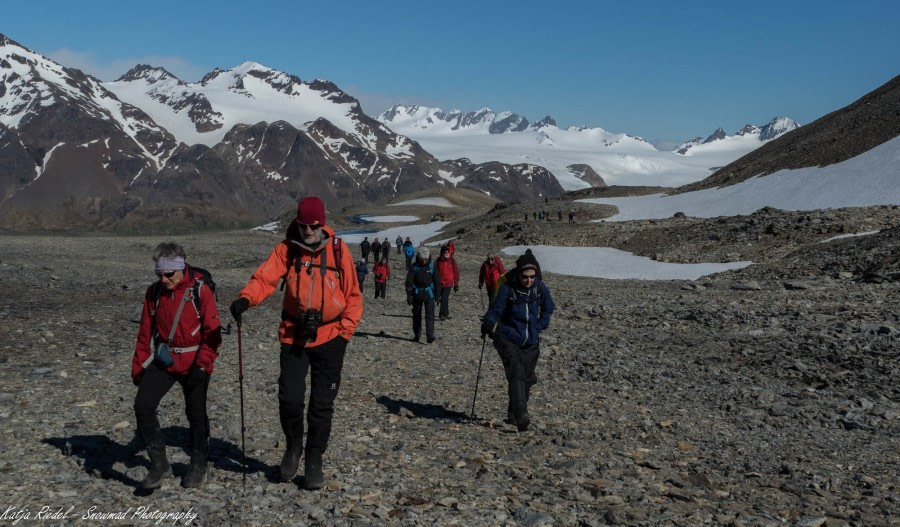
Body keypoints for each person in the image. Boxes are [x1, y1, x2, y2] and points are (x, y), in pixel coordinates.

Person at [229, 196, 362, 490]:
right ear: (298, 224)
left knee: (321, 404)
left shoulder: (339, 251)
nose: (309, 231)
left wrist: (345, 334)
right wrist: (246, 299)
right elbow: (264, 279)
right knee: (289, 396)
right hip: (293, 334)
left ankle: (314, 458)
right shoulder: (287, 250)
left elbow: (353, 296)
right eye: (304, 226)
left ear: (322, 223)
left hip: (331, 336)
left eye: (314, 226)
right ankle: (293, 447)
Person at [131, 242, 222, 490]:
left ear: (181, 268)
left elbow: (212, 332)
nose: (164, 279)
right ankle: (159, 464)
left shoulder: (200, 291)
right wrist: (139, 367)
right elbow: (144, 333)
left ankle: (198, 462)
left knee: (195, 412)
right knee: (143, 405)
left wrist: (202, 366)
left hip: (195, 360)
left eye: (169, 274)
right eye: (159, 274)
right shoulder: (153, 293)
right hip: (166, 359)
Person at [481, 252, 555, 432]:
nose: (529, 280)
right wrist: (489, 322)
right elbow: (496, 309)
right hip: (507, 338)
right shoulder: (508, 288)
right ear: (519, 274)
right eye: (525, 277)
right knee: (517, 372)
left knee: (527, 379)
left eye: (532, 276)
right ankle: (522, 414)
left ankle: (513, 416)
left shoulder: (539, 287)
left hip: (531, 341)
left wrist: (540, 325)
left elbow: (549, 308)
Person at [405, 247, 441, 344]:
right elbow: (409, 281)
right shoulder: (414, 267)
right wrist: (409, 295)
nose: (424, 261)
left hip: (429, 294)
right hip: (417, 293)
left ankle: (430, 335)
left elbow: (437, 281)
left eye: (426, 259)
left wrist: (438, 295)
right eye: (422, 259)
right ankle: (417, 335)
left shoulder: (432, 266)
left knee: (430, 315)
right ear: (419, 258)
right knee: (416, 315)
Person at [435, 245, 459, 321]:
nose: (447, 253)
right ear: (442, 253)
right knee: (441, 298)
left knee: (444, 298)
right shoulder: (437, 261)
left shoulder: (452, 260)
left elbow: (456, 272)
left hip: (448, 283)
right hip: (439, 283)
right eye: (445, 252)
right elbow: (434, 272)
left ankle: (442, 314)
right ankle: (446, 313)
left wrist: (456, 284)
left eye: (448, 252)